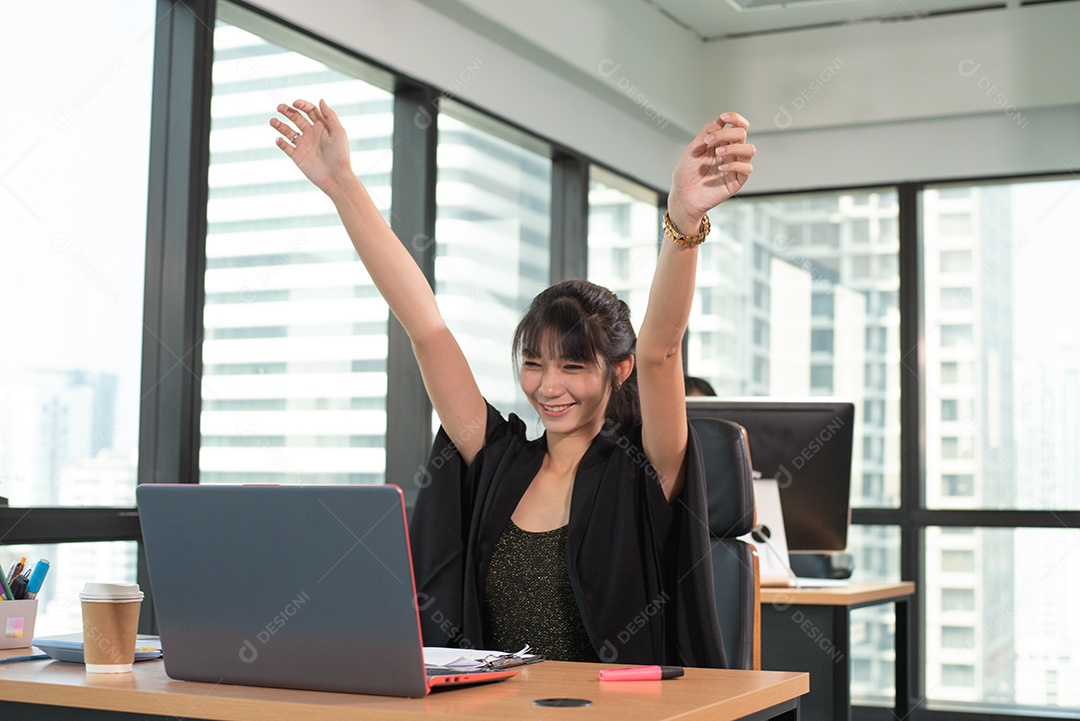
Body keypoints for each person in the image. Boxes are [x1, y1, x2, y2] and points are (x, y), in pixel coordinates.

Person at [271, 99, 755, 668]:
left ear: (616, 370)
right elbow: (426, 327)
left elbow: (660, 350)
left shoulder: (645, 468)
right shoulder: (500, 461)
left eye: (573, 366)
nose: (549, 386)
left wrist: (684, 216)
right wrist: (342, 185)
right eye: (534, 363)